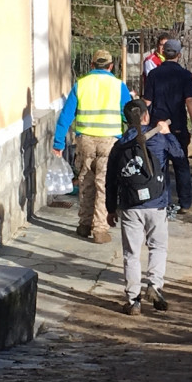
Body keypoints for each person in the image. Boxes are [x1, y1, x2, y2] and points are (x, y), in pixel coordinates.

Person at [105, 99, 185, 315]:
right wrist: (167, 133)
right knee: (158, 247)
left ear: (126, 120)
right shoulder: (159, 138)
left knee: (131, 253)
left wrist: (110, 208)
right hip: (157, 204)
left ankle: (133, 301)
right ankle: (154, 285)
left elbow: (111, 179)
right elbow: (179, 156)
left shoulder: (119, 145)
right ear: (146, 116)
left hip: (130, 206)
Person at [53, 49, 132, 243]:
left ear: (92, 65)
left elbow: (66, 115)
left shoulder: (81, 85)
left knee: (86, 182)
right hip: (110, 142)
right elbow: (127, 114)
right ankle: (100, 230)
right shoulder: (118, 86)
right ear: (111, 66)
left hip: (85, 141)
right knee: (104, 184)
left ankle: (84, 224)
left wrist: (58, 142)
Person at [143, 39, 192, 214]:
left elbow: (147, 101)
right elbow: (190, 101)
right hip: (177, 127)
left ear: (163, 53)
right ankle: (185, 203)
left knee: (159, 164)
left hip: (157, 127)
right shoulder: (184, 75)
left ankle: (164, 201)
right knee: (181, 164)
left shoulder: (154, 74)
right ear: (179, 54)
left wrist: (142, 126)